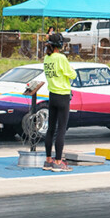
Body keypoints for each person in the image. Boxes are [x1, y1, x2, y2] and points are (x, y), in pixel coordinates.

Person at [42, 33, 76, 172]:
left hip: (52, 95)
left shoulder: (46, 58)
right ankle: (58, 161)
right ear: (60, 45)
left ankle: (48, 160)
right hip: (63, 95)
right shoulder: (61, 58)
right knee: (61, 129)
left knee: (50, 128)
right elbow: (72, 74)